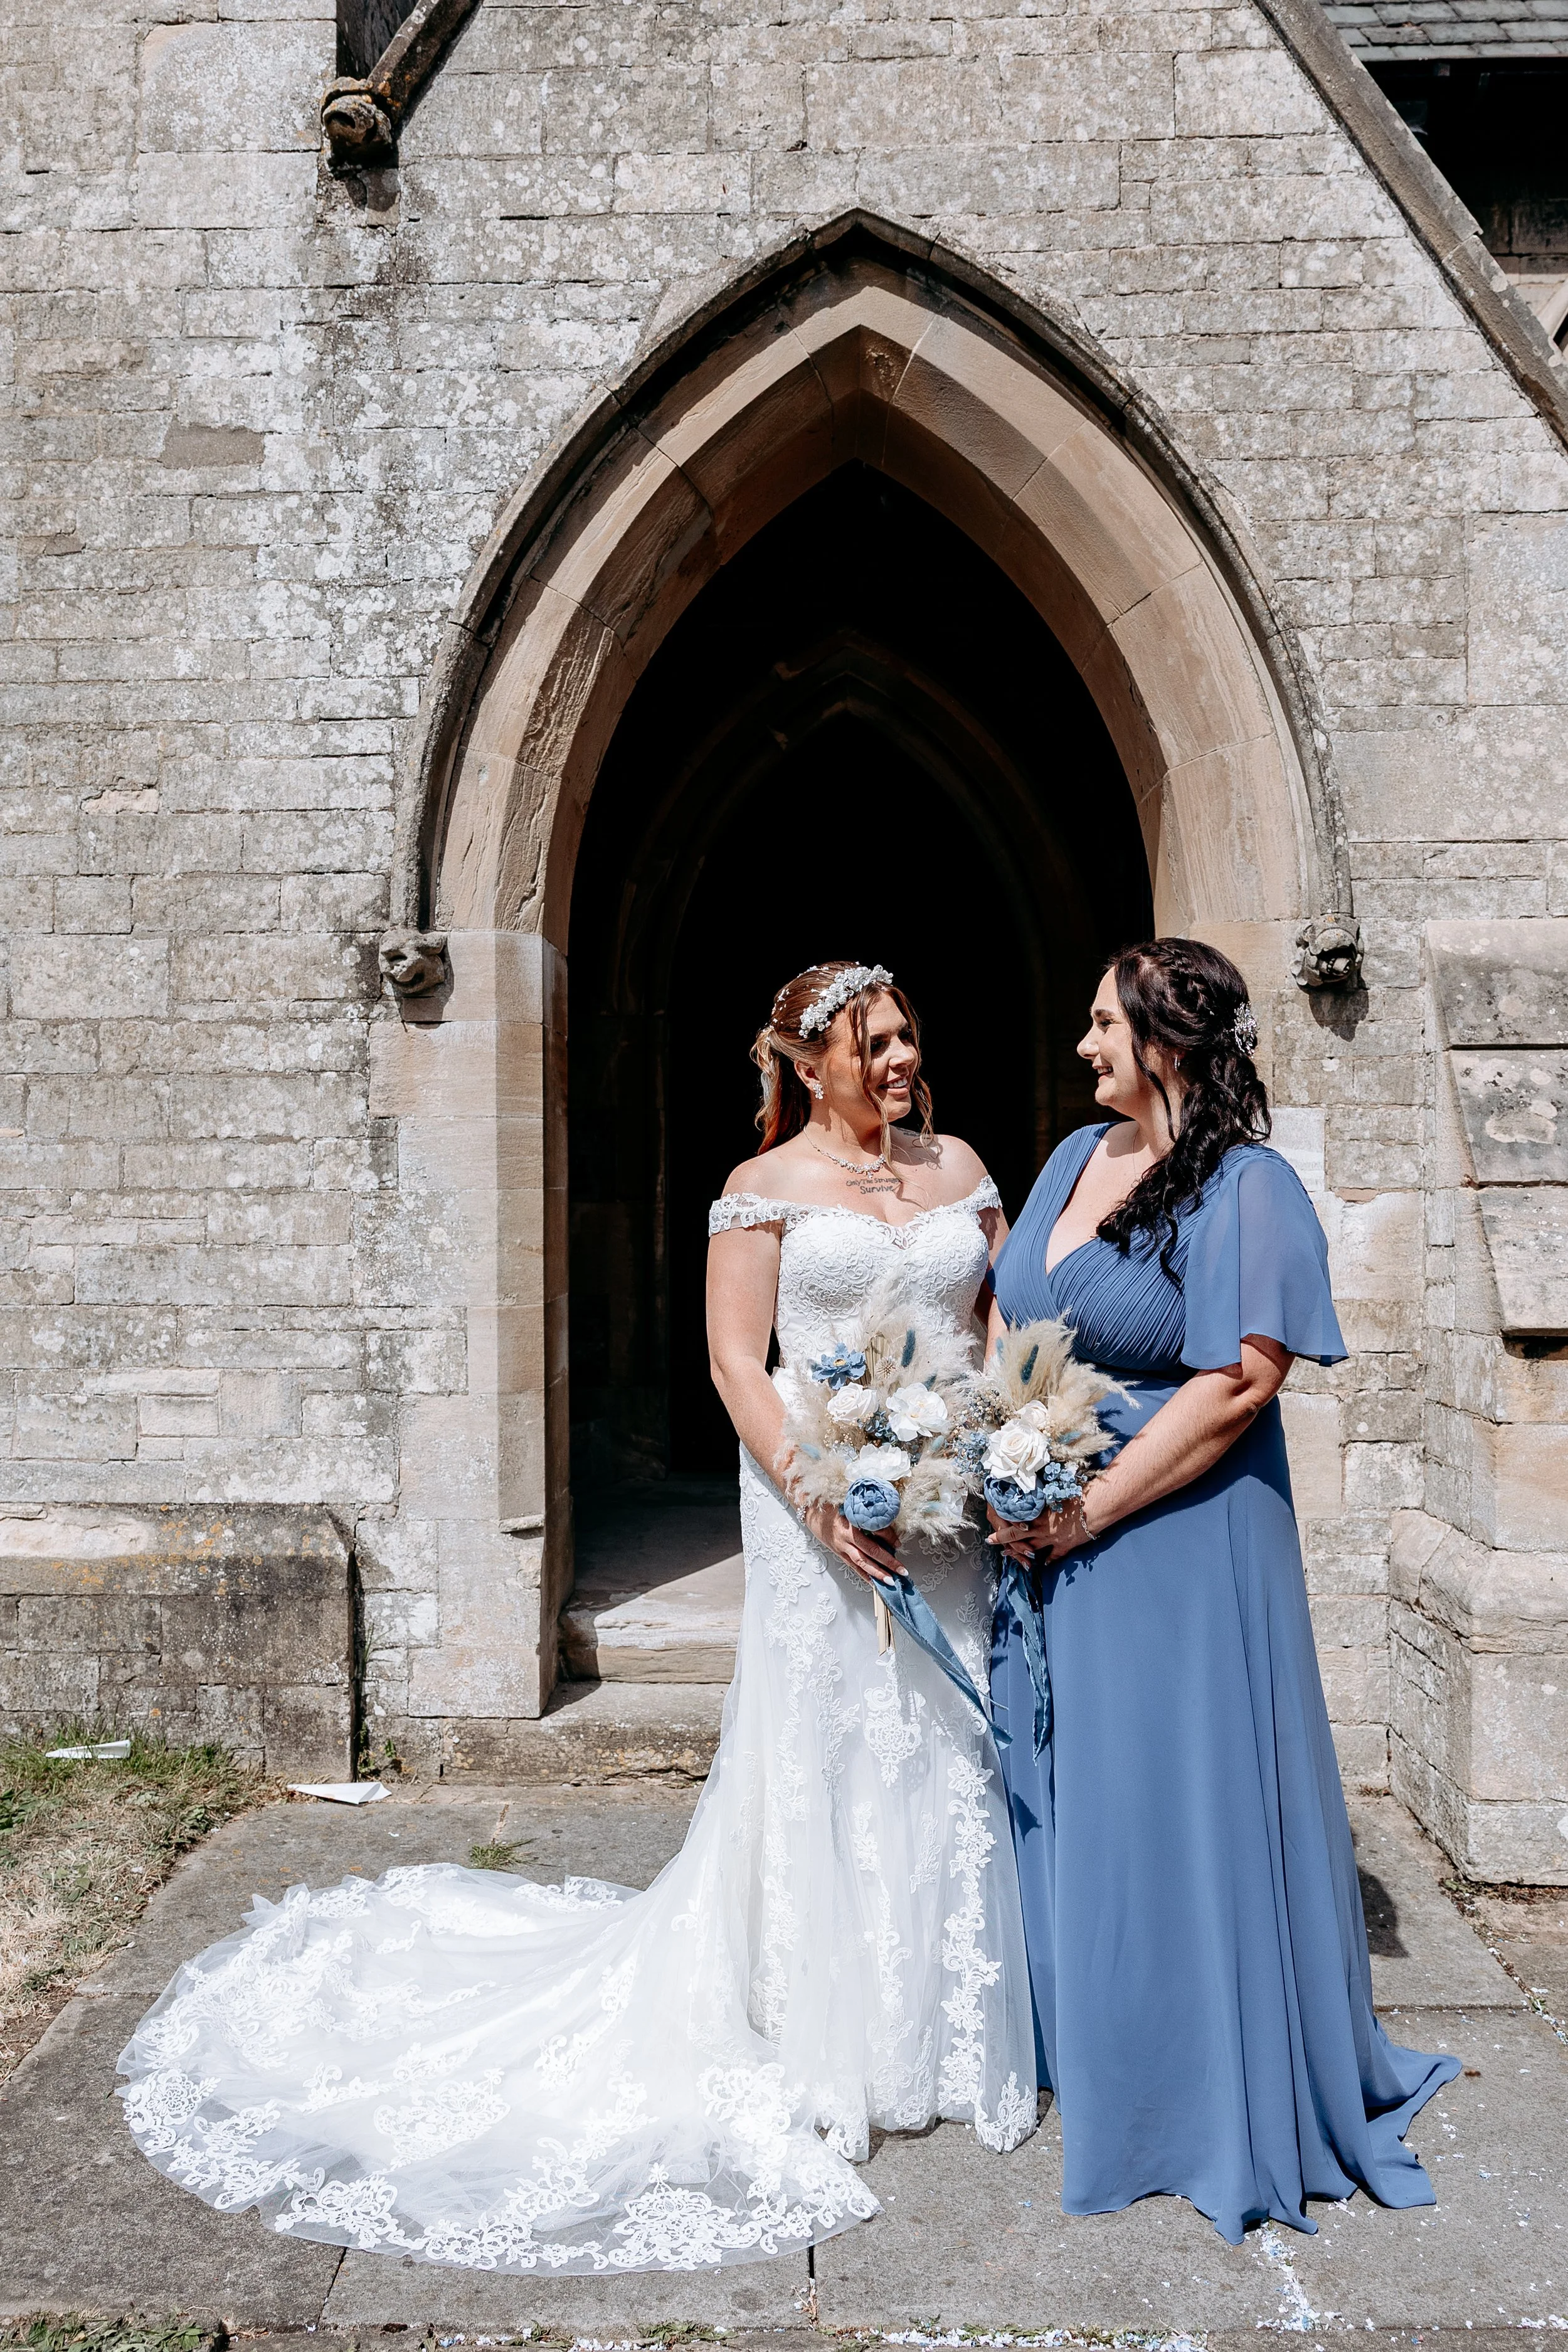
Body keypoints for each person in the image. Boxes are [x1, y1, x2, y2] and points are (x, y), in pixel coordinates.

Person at [115, 960, 1035, 2278]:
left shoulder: (960, 1168)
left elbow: (990, 1326)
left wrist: (1002, 1452)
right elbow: (735, 1359)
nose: (898, 1059)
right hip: (810, 1501)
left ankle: (937, 2026)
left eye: (904, 1037)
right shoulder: (761, 1190)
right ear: (805, 1061)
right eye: (871, 1042)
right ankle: (810, 2022)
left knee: (942, 1734)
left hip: (941, 1512)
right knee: (831, 1736)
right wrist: (824, 1497)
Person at [987, 936, 1459, 2246]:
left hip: (1181, 1533)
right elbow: (1007, 1319)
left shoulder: (1247, 1189)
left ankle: (1201, 2087)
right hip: (1051, 1525)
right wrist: (996, 1458)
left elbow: (1240, 1382)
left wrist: (1083, 1507)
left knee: (1176, 1791)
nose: (1081, 1046)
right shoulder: (1070, 1161)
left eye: (1100, 1025)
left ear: (1166, 1042)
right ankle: (1103, 2050)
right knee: (1081, 1791)